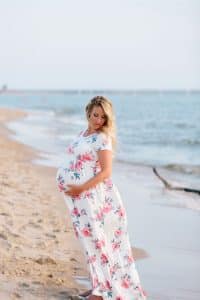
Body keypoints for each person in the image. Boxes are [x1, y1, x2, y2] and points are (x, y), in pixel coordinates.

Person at [56, 96, 147, 300]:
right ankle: (98, 285)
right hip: (82, 199)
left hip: (96, 199)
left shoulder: (102, 139)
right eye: (95, 115)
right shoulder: (83, 133)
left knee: (98, 243)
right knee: (89, 242)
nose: (98, 120)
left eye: (103, 117)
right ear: (88, 112)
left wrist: (80, 188)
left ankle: (102, 292)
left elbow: (106, 172)